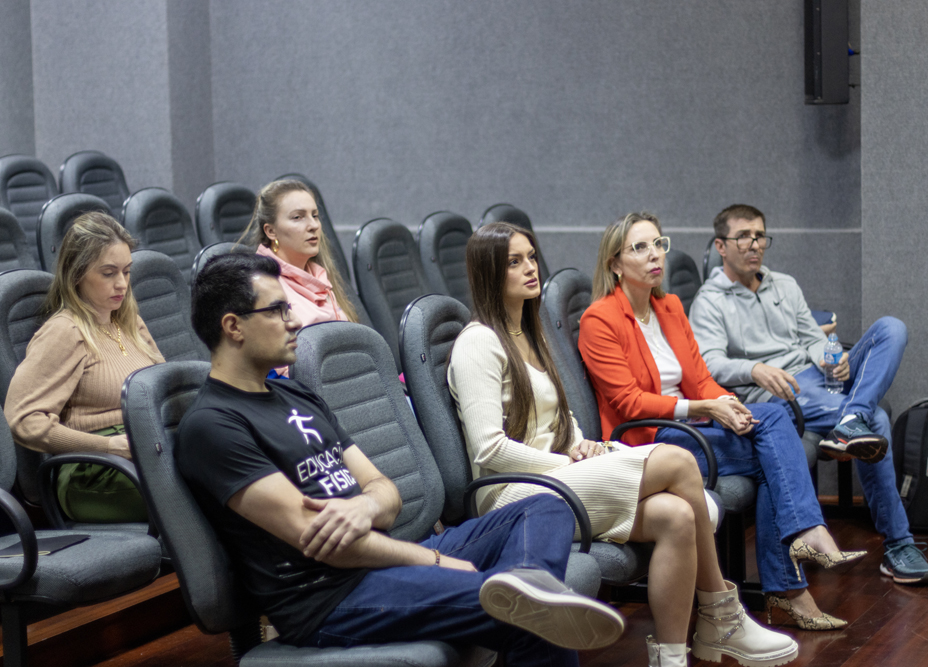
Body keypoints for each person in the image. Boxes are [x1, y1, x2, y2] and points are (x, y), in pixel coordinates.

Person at [175, 252, 625, 666]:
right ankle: (528, 595)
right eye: (277, 310)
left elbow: (384, 491)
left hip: (380, 559)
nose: (293, 321)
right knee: (527, 616)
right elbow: (336, 547)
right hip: (332, 599)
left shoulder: (295, 394)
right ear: (233, 326)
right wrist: (434, 562)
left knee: (544, 506)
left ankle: (528, 584)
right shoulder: (213, 426)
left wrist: (366, 505)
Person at [448, 222, 798, 666]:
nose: (530, 268)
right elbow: (489, 450)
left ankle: (671, 658)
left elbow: (560, 416)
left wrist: (580, 444)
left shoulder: (531, 333)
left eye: (531, 257)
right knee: (678, 462)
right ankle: (722, 617)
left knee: (676, 516)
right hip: (514, 495)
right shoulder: (478, 342)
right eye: (514, 262)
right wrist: (563, 464)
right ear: (488, 273)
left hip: (556, 476)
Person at [577, 212, 866, 632]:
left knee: (770, 422)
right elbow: (628, 402)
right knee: (774, 451)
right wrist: (704, 408)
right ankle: (794, 575)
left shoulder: (669, 307)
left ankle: (794, 577)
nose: (654, 254)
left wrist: (727, 403)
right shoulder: (599, 319)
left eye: (658, 243)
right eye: (639, 247)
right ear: (615, 263)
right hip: (652, 441)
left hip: (694, 426)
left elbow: (700, 378)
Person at [689, 203, 928, 586]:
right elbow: (709, 363)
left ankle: (851, 416)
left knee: (891, 328)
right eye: (743, 237)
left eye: (760, 236)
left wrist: (829, 358)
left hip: (819, 379)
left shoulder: (784, 284)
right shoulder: (709, 301)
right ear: (721, 246)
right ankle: (898, 543)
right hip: (777, 394)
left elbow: (811, 338)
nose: (754, 245)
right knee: (876, 419)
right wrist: (754, 369)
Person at [4, 212, 164, 522]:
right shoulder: (65, 331)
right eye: (108, 273)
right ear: (76, 273)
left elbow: (162, 388)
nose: (122, 283)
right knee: (208, 484)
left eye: (127, 271)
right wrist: (108, 446)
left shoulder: (130, 322)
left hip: (148, 449)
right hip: (95, 470)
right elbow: (22, 420)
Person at [240, 178, 358, 376]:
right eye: (298, 217)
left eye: (315, 216)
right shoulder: (263, 284)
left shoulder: (320, 276)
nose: (313, 225)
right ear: (271, 231)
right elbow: (276, 373)